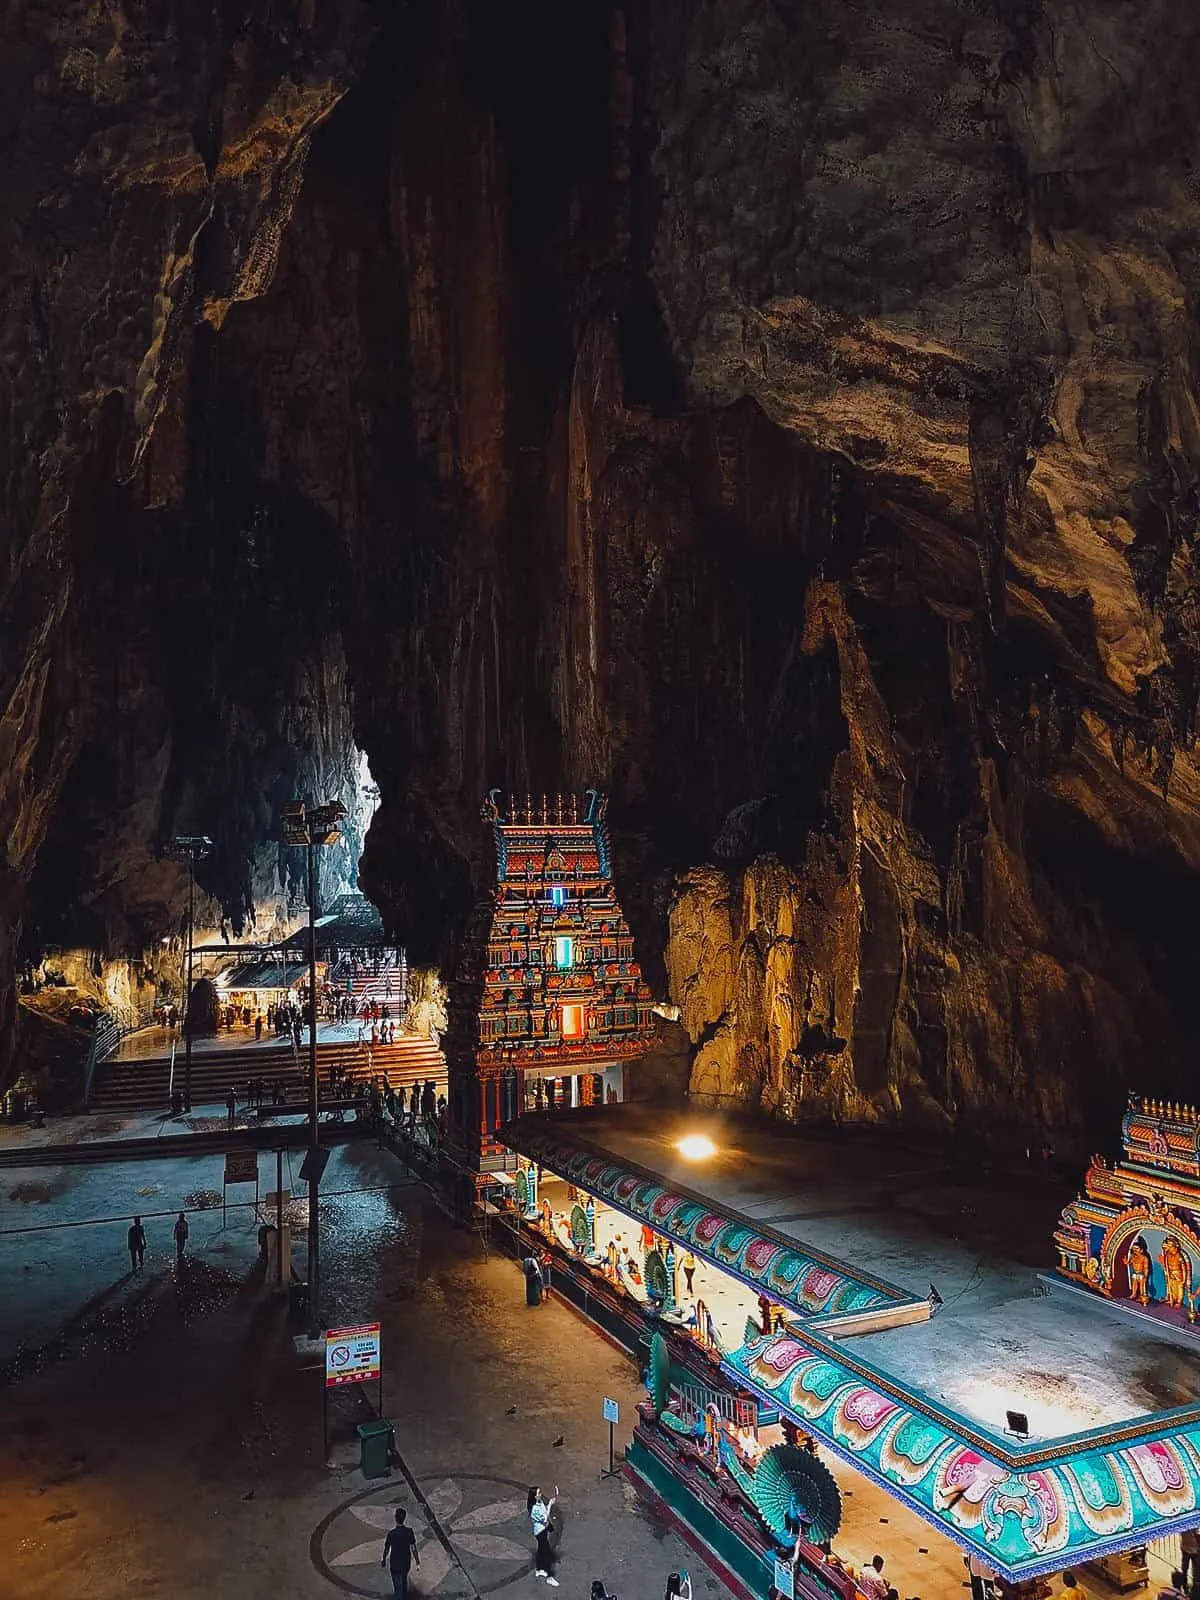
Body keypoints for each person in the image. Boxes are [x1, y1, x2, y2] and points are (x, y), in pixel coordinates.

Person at [380, 1506, 419, 1600]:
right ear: (404, 1518)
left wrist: (384, 1559)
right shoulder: (409, 1532)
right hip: (405, 1562)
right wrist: (417, 1560)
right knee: (403, 1579)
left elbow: (386, 1548)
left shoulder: (391, 1534)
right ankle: (403, 1595)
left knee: (397, 1585)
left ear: (395, 1518)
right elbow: (413, 1547)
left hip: (395, 1563)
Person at [528, 1485, 558, 1585]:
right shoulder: (534, 1509)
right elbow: (545, 1518)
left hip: (543, 1530)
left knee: (541, 1550)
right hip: (540, 1532)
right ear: (534, 1496)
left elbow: (544, 1511)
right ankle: (549, 1576)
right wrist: (550, 1505)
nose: (541, 1494)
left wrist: (548, 1505)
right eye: (539, 1493)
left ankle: (539, 1569)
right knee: (545, 1553)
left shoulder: (539, 1502)